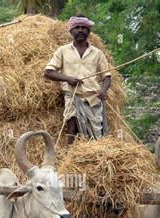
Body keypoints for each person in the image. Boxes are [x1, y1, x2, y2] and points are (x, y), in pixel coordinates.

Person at [44, 15, 112, 144]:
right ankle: (69, 158)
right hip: (72, 97)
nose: (80, 30)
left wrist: (103, 90)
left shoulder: (97, 53)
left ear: (88, 31)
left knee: (96, 136)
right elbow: (48, 72)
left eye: (84, 28)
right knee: (72, 129)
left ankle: (94, 156)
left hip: (93, 99)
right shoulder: (62, 51)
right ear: (71, 31)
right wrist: (67, 79)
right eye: (77, 27)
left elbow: (107, 76)